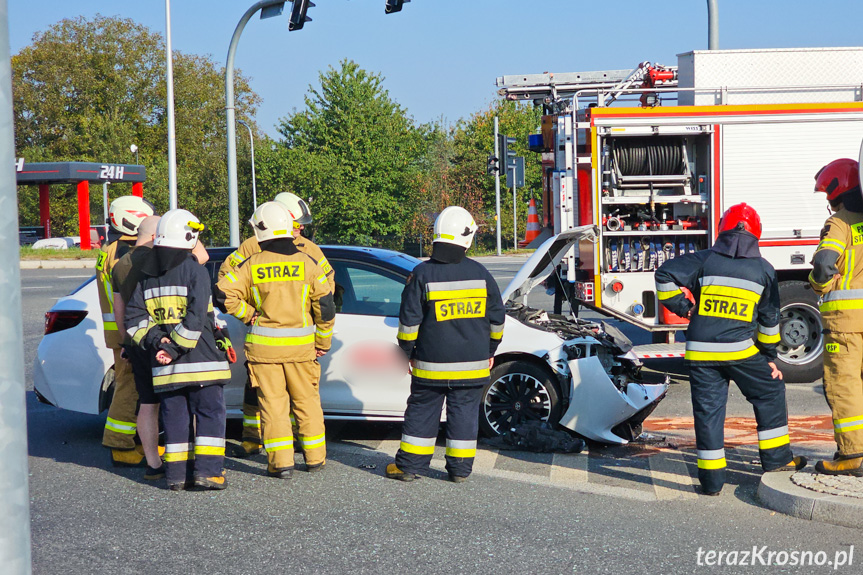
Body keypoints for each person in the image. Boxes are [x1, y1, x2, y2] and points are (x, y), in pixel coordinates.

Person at [655, 203, 806, 496]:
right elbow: (769, 319)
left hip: (699, 352)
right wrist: (769, 357)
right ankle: (776, 462)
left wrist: (685, 308)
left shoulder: (705, 259)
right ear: (756, 234)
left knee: (708, 413)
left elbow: (664, 275)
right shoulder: (763, 270)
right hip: (739, 351)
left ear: (724, 228)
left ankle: (711, 483)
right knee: (769, 391)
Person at [386, 206, 506, 483]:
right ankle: (460, 471)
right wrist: (490, 351)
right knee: (464, 413)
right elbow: (497, 319)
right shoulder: (481, 274)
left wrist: (405, 354)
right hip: (473, 364)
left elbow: (409, 323)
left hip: (431, 365)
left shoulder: (422, 274)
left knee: (422, 410)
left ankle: (409, 467)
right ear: (467, 238)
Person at [217, 202, 335, 479]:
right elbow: (326, 306)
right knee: (307, 402)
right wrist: (323, 342)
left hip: (265, 351)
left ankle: (281, 464)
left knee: (273, 405)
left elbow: (222, 295)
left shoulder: (251, 264)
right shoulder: (308, 263)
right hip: (302, 350)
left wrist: (249, 314)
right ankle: (315, 458)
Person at [125, 209, 232, 491]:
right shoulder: (195, 271)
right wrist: (173, 348)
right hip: (201, 361)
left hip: (165, 368)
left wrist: (158, 342)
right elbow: (196, 318)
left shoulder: (146, 275)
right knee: (209, 415)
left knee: (175, 419)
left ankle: (175, 477)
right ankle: (208, 473)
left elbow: (133, 320)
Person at [809, 158, 863, 476]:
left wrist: (818, 284)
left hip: (845, 325)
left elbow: (825, 264)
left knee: (844, 385)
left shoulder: (840, 224)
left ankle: (853, 453)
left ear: (837, 190)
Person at [97, 195, 155, 466]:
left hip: (118, 332)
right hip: (126, 333)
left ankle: (132, 442)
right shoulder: (122, 252)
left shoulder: (110, 249)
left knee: (130, 386)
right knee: (129, 387)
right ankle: (120, 446)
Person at [111, 215, 164, 480]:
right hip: (161, 341)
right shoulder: (156, 259)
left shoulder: (119, 265)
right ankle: (180, 461)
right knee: (178, 402)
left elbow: (118, 307)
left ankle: (152, 462)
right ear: (156, 237)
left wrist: (126, 341)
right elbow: (199, 258)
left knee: (147, 403)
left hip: (136, 341)